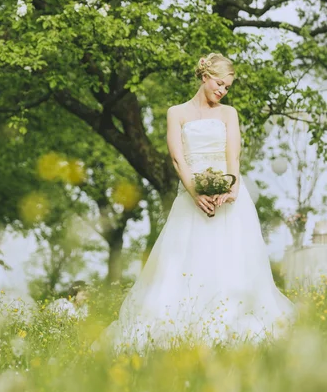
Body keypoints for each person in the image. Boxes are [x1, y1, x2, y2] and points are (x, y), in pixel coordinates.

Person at [95, 53, 296, 353]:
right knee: (183, 264)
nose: (222, 91)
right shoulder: (177, 113)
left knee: (230, 263)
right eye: (219, 83)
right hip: (190, 197)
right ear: (204, 77)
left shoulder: (229, 114)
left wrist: (230, 187)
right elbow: (177, 157)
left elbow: (234, 157)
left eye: (227, 87)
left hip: (229, 201)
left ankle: (230, 327)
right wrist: (195, 192)